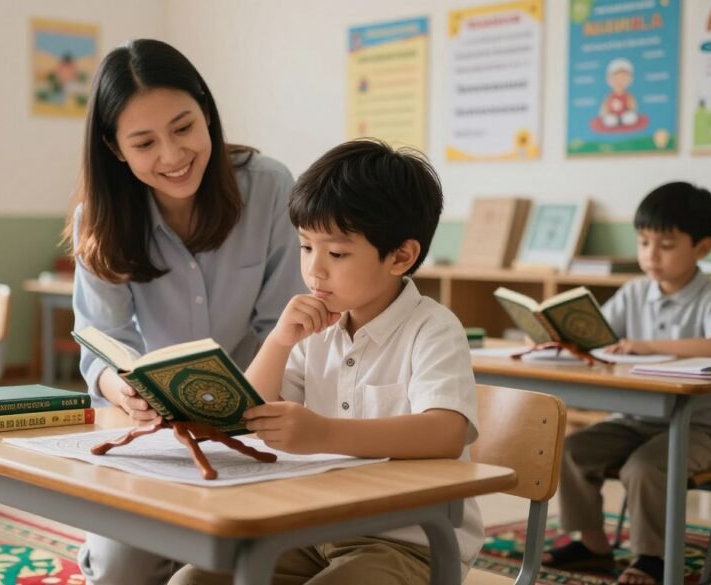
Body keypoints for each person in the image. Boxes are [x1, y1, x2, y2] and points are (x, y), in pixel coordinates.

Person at [170, 139, 482, 585]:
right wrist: (278, 342)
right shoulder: (314, 331)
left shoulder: (432, 329)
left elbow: (446, 432)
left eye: (336, 254)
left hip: (410, 543)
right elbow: (246, 412)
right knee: (191, 582)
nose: (315, 270)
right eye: (305, 247)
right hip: (313, 530)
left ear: (401, 256)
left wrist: (324, 433)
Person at [67, 39, 305, 585]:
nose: (172, 157)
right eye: (144, 142)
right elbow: (99, 337)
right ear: (115, 148)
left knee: (230, 561)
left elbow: (285, 329)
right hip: (155, 432)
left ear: (207, 114)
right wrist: (117, 385)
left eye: (183, 128)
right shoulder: (99, 219)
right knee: (120, 571)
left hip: (260, 424)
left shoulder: (269, 188)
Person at [544, 182, 711, 585]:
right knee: (572, 450)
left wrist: (645, 345)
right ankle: (593, 545)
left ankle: (654, 558)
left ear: (702, 247)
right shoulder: (633, 293)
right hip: (635, 419)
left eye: (665, 244)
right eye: (643, 242)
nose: (650, 255)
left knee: (646, 468)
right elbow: (601, 336)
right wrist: (554, 336)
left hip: (705, 426)